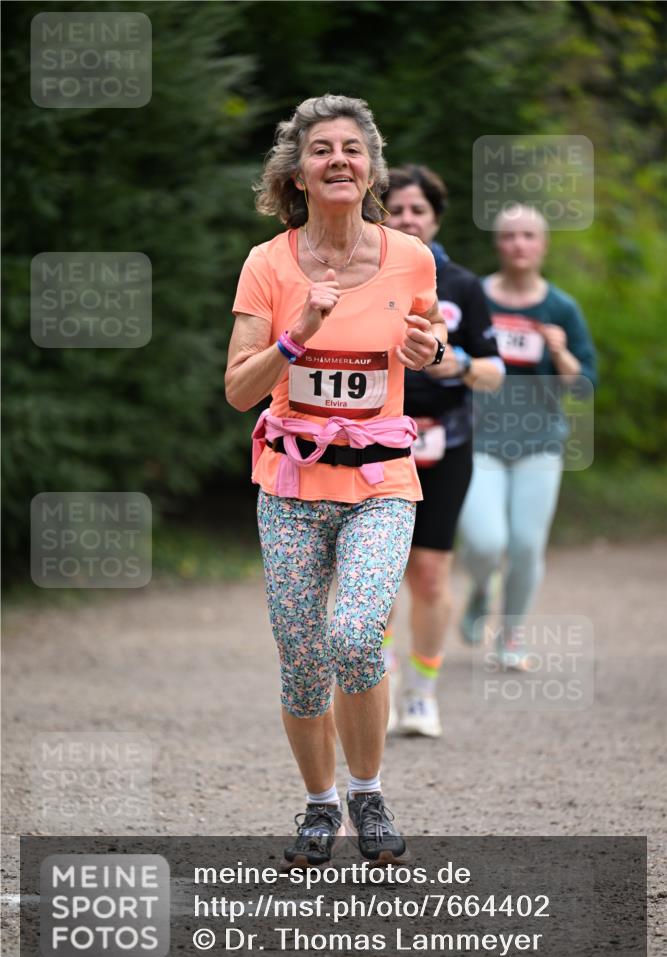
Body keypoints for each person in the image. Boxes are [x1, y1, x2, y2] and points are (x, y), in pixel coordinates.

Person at [225, 96, 446, 866]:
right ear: (296, 172)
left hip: (381, 483)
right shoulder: (268, 263)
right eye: (321, 149)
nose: (339, 160)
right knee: (300, 655)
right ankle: (319, 808)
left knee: (354, 635)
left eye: (353, 148)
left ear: (371, 167)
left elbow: (429, 339)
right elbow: (238, 390)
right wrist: (298, 337)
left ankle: (368, 794)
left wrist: (431, 350)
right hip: (289, 486)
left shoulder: (408, 257)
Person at [381, 165, 504, 738]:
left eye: (418, 210)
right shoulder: (364, 277)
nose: (407, 219)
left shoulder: (463, 285)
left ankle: (422, 692)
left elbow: (496, 369)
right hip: (375, 441)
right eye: (397, 209)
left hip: (447, 441)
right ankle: (373, 679)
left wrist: (461, 365)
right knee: (373, 572)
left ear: (435, 217)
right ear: (380, 213)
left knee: (430, 575)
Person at [458, 203, 597, 668]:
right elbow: (451, 362)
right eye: (510, 236)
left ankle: (511, 635)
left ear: (543, 245)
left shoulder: (560, 307)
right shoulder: (476, 295)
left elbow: (584, 384)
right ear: (498, 244)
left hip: (539, 443)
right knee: (484, 541)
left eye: (528, 236)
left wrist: (561, 355)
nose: (519, 244)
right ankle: (481, 589)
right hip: (481, 441)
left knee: (525, 545)